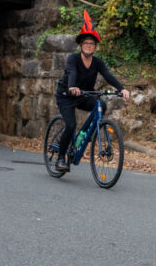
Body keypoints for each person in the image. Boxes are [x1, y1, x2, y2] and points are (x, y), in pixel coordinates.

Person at [54, 11, 130, 171]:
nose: (89, 45)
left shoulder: (97, 62)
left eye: (92, 43)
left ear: (95, 46)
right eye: (86, 42)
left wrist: (121, 89)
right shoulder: (72, 59)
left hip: (84, 95)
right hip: (66, 95)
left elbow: (108, 75)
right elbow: (72, 72)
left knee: (101, 104)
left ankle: (85, 136)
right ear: (81, 45)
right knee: (70, 125)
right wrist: (72, 87)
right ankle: (61, 158)